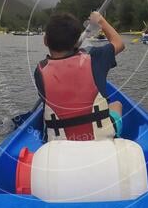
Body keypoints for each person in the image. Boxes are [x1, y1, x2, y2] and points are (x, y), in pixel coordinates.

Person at [34, 11, 125, 141]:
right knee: (116, 104)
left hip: (59, 145)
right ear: (77, 42)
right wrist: (100, 21)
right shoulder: (94, 57)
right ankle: (114, 138)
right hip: (101, 140)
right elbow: (119, 43)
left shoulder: (40, 71)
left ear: (45, 41)